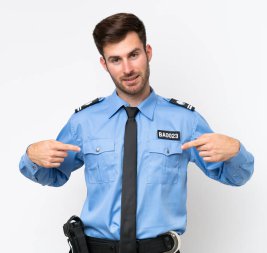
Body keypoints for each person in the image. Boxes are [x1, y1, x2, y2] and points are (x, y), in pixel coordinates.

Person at [19, 13, 254, 253]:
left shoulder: (185, 121)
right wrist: (31, 156)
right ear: (104, 64)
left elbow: (236, 176)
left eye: (134, 55)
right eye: (116, 60)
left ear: (148, 52)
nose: (128, 69)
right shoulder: (84, 122)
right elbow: (54, 176)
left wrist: (235, 151)